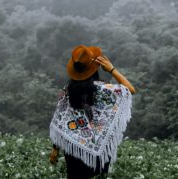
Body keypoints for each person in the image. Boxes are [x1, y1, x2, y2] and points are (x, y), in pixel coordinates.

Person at [49, 45, 136, 179]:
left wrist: (55, 149)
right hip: (98, 151)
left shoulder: (67, 90)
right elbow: (130, 89)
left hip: (74, 149)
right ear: (95, 67)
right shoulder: (105, 90)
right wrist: (111, 69)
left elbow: (61, 119)